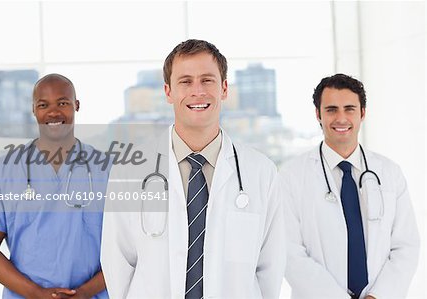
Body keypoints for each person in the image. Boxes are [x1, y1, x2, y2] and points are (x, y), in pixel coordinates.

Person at [101, 39, 286, 298]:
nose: (197, 91)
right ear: (168, 92)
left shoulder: (261, 173)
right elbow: (117, 261)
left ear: (223, 88)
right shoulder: (130, 171)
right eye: (185, 81)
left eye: (207, 80)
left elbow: (270, 267)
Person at [281, 74, 420, 299]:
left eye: (349, 109)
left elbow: (405, 246)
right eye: (331, 109)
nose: (341, 118)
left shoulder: (389, 173)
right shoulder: (291, 176)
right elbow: (289, 252)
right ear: (318, 114)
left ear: (362, 113)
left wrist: (377, 296)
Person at [0, 74, 109, 298]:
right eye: (43, 105)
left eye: (63, 103)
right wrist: (36, 293)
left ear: (76, 105)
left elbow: (130, 249)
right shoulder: (1, 173)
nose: (54, 112)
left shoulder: (108, 171)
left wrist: (85, 292)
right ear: (33, 109)